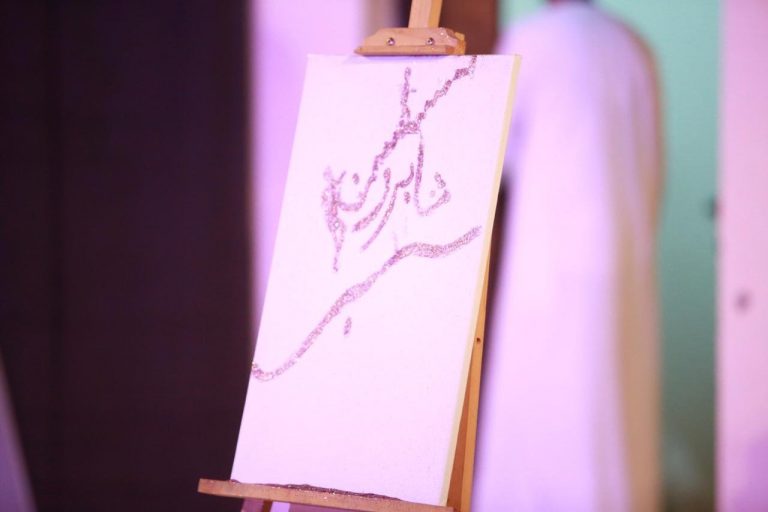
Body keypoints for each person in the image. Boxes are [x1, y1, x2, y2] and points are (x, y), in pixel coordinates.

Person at [473, 1, 662, 510]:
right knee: (612, 407)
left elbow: (496, 156)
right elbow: (653, 168)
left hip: (546, 256)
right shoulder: (631, 47)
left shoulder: (528, 42)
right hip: (619, 258)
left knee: (544, 404)